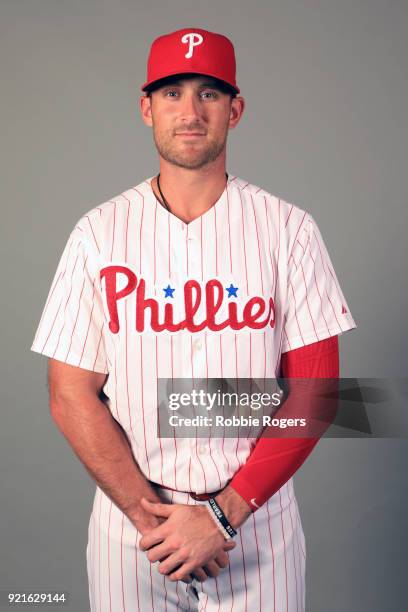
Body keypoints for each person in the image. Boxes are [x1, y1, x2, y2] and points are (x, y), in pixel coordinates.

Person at [31, 27, 357, 611]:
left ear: (235, 109)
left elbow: (316, 392)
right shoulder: (98, 234)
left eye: (208, 93)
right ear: (145, 107)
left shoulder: (288, 230)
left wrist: (223, 516)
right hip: (135, 530)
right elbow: (69, 395)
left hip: (256, 528)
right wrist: (150, 519)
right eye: (172, 92)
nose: (190, 110)